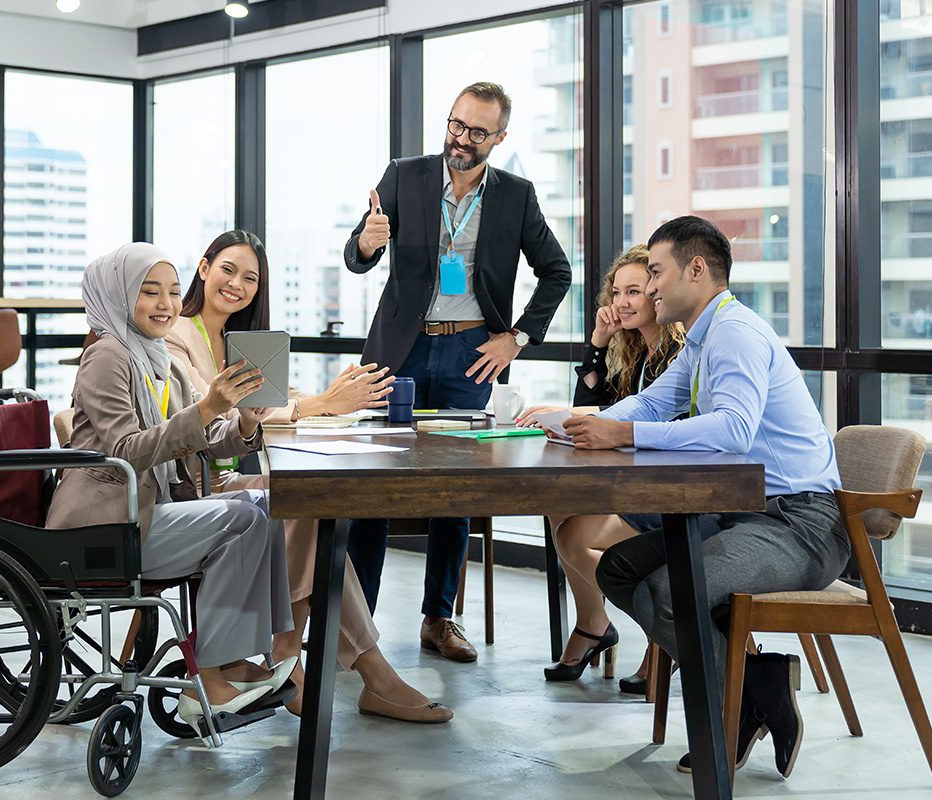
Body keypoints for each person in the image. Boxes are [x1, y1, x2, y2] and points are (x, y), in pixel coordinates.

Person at [563, 216, 849, 778]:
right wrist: (571, 424)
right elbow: (648, 405)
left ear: (697, 270)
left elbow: (735, 428)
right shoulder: (703, 336)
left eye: (656, 273)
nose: (648, 289)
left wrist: (624, 435)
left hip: (802, 524)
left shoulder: (736, 332)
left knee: (673, 589)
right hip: (747, 514)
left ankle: (736, 704)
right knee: (619, 569)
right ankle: (758, 684)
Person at [165, 230, 453, 724]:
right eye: (228, 270)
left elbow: (276, 397)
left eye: (251, 278)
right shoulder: (177, 335)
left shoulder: (244, 341)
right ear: (203, 267)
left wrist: (330, 396)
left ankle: (297, 661)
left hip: (230, 479)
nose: (237, 284)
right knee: (303, 507)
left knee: (311, 506)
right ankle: (345, 669)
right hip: (195, 488)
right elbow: (212, 413)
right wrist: (321, 404)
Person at [343, 81, 572, 662]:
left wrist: (516, 338)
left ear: (499, 137)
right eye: (454, 125)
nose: (460, 140)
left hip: (472, 350)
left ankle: (439, 618)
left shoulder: (516, 196)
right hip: (401, 348)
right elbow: (355, 256)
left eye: (476, 132)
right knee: (375, 483)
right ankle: (358, 625)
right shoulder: (404, 175)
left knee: (455, 489)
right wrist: (368, 244)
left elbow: (557, 271)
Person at [46, 242, 295, 735]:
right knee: (244, 516)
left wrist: (243, 422)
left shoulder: (159, 357)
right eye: (150, 292)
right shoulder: (106, 357)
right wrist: (206, 409)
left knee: (268, 504)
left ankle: (235, 660)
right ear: (117, 296)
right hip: (105, 524)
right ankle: (216, 675)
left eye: (175, 293)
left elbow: (197, 440)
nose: (166, 304)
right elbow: (126, 449)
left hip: (149, 511)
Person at [516, 244, 684, 692]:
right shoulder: (637, 354)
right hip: (637, 484)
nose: (622, 302)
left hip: (670, 496)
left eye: (634, 291)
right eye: (616, 293)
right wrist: (597, 342)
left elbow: (624, 421)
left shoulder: (677, 355)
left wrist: (573, 412)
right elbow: (600, 405)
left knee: (573, 534)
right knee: (558, 506)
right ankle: (593, 622)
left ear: (657, 293)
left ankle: (664, 630)